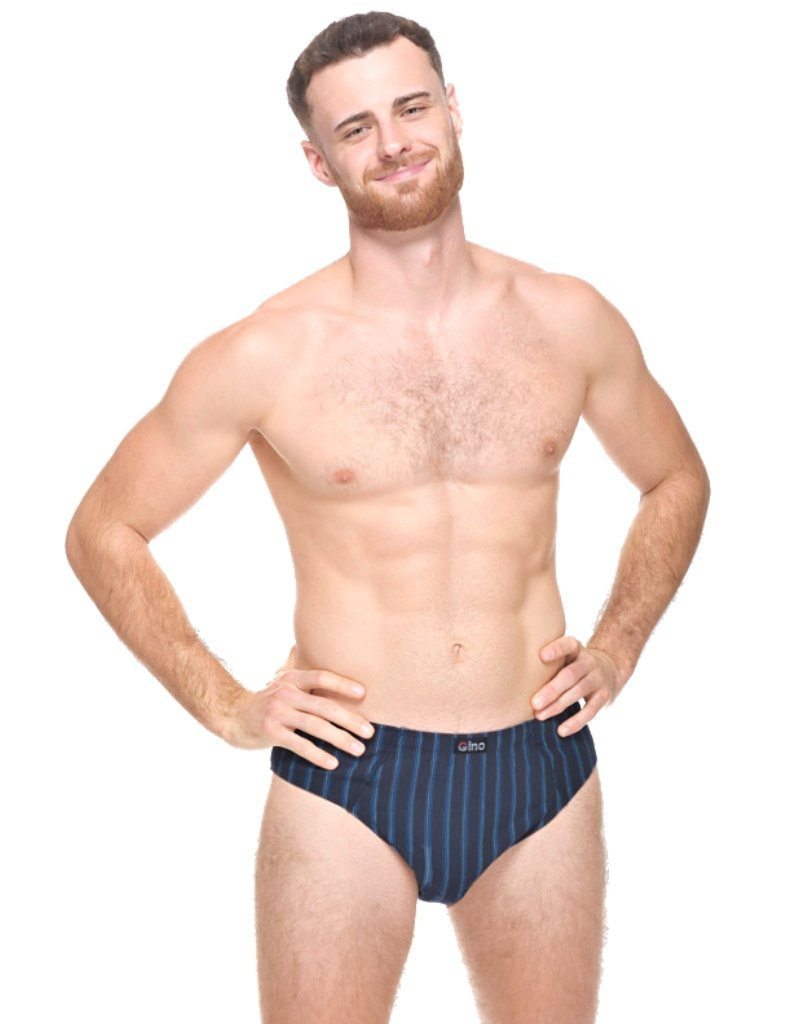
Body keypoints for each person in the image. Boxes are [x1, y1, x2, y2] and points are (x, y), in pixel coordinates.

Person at [65, 11, 710, 1024]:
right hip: (348, 781)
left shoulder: (568, 318)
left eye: (411, 108)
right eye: (356, 127)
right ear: (319, 162)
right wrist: (226, 704)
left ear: (452, 110)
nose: (394, 141)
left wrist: (620, 643)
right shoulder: (266, 351)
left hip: (542, 768)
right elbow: (103, 528)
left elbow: (675, 477)